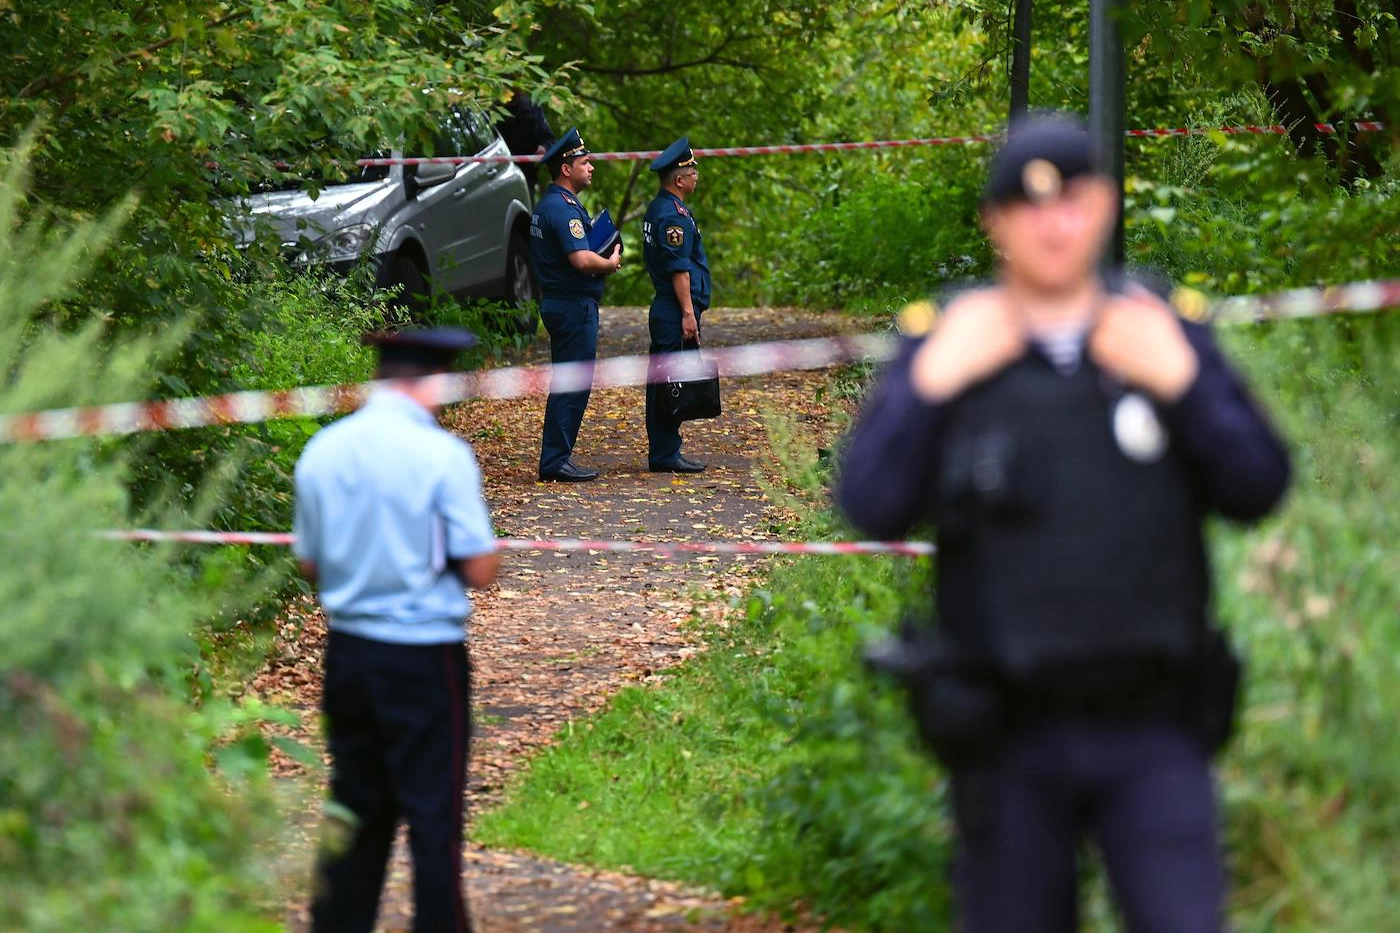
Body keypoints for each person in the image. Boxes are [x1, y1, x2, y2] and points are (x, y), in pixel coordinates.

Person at [837, 113, 1291, 933]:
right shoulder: (952, 346)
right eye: (1028, 203)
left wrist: (1183, 383)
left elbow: (1258, 484)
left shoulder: (1161, 332)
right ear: (996, 223)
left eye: (1074, 199)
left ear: (1107, 206)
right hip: (1009, 737)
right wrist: (932, 382)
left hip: (1153, 728)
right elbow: (870, 501)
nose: (1055, 221)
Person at [293, 326, 501, 933]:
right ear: (434, 381)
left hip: (350, 652)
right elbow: (481, 567)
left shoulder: (324, 449)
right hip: (423, 655)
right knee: (433, 818)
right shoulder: (442, 455)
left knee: (355, 805)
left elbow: (309, 561)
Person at [529, 126, 623, 482]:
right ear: (566, 168)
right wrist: (610, 263)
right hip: (572, 306)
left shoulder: (550, 204)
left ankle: (557, 457)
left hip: (560, 302)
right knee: (572, 383)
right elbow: (582, 260)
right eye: (585, 162)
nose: (592, 167)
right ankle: (555, 461)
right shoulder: (564, 209)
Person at [641, 136, 710, 473]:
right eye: (691, 170)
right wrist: (687, 312)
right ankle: (665, 453)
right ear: (678, 179)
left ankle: (665, 450)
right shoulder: (672, 216)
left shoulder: (661, 208)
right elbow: (678, 269)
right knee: (670, 382)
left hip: (668, 307)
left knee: (664, 379)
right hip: (672, 308)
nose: (696, 175)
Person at [495, 90, 555, 158]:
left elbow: (548, 137)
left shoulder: (530, 106)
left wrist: (545, 147)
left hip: (532, 157)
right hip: (507, 157)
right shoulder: (495, 111)